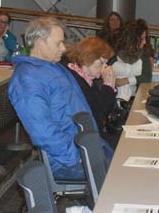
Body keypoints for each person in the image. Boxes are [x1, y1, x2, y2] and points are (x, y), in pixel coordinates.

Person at [8, 17, 104, 180]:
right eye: (58, 43)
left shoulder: (53, 68)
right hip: (65, 161)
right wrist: (76, 157)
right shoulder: (27, 78)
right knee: (123, 178)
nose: (64, 48)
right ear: (39, 42)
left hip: (83, 148)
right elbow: (42, 130)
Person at [63, 36, 118, 145]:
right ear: (89, 58)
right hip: (81, 139)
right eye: (101, 63)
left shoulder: (87, 79)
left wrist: (110, 85)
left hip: (90, 135)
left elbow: (106, 111)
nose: (104, 67)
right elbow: (96, 119)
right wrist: (108, 86)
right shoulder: (76, 81)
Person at [111, 19, 145, 101]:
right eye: (142, 39)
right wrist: (113, 81)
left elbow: (146, 77)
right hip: (113, 97)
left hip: (135, 97)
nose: (145, 42)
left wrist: (126, 80)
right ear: (132, 39)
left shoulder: (144, 55)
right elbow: (102, 75)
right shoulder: (113, 54)